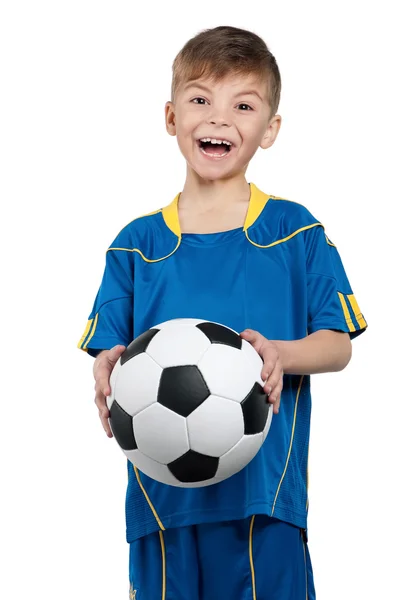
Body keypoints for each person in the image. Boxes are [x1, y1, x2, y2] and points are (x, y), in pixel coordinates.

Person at [77, 25, 367, 600]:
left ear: (270, 129)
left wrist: (281, 353)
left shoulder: (293, 231)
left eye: (244, 104)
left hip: (265, 498)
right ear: (171, 117)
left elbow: (339, 344)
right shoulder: (136, 246)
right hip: (162, 503)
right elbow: (110, 346)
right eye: (200, 100)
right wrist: (108, 363)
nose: (219, 118)